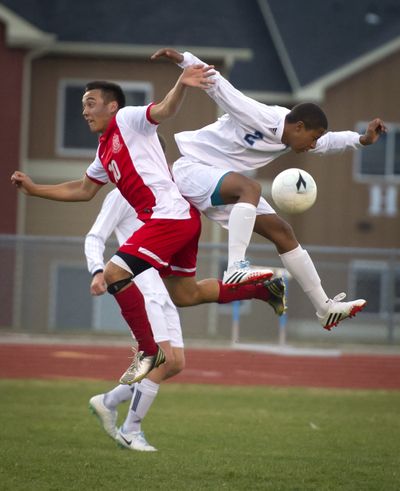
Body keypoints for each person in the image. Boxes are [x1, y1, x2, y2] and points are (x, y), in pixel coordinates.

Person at [11, 66, 282, 385]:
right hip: (181, 218)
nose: (85, 110)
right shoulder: (103, 150)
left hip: (169, 216)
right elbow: (83, 190)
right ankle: (263, 289)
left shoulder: (127, 120)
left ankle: (147, 351)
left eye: (91, 102)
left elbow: (164, 109)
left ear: (112, 106)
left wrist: (181, 83)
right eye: (83, 104)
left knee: (113, 274)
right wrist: (35, 190)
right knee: (185, 294)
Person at [150, 48, 388, 331]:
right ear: (299, 126)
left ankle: (325, 308)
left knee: (282, 231)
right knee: (250, 187)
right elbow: (219, 85)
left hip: (220, 181)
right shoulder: (260, 116)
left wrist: (362, 140)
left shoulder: (293, 136)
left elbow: (330, 142)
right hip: (191, 169)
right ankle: (235, 268)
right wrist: (182, 58)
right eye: (312, 138)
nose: (313, 145)